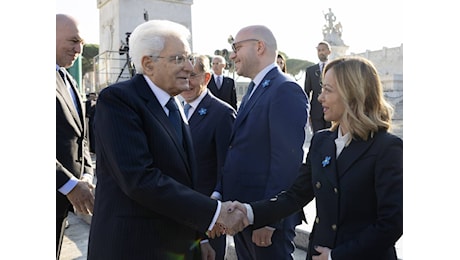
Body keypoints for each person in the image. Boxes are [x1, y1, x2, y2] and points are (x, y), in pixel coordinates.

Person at [87, 19, 248, 260]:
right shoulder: (119, 101)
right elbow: (140, 178)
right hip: (133, 248)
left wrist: (199, 238)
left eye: (189, 57)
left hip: (174, 246)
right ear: (148, 64)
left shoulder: (174, 105)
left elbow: (184, 181)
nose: (188, 67)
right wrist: (215, 212)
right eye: (178, 59)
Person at [237, 56, 403, 260]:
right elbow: (295, 196)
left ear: (352, 94)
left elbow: (391, 223)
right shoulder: (321, 141)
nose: (319, 98)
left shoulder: (387, 147)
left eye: (328, 90)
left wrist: (337, 256)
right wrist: (248, 212)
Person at [212, 25, 310, 259]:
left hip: (263, 220)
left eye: (237, 48)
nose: (232, 55)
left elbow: (286, 163)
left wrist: (269, 220)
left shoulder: (285, 89)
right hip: (243, 214)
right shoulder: (257, 89)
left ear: (259, 47)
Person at [180, 54, 237, 260]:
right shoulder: (175, 109)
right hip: (178, 213)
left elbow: (227, 168)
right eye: (183, 75)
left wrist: (215, 211)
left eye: (192, 76)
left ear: (206, 78)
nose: (187, 83)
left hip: (208, 217)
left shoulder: (222, 114)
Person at [56, 13, 95, 259]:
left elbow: (81, 138)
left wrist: (87, 175)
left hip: (61, 204)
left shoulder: (68, 79)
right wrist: (68, 184)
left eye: (81, 42)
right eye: (73, 40)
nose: (79, 49)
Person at [304, 41, 332, 133]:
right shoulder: (310, 70)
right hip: (316, 111)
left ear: (329, 51)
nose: (321, 52)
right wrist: (306, 111)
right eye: (319, 50)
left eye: (323, 50)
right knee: (318, 138)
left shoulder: (335, 69)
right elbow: (306, 92)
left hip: (332, 109)